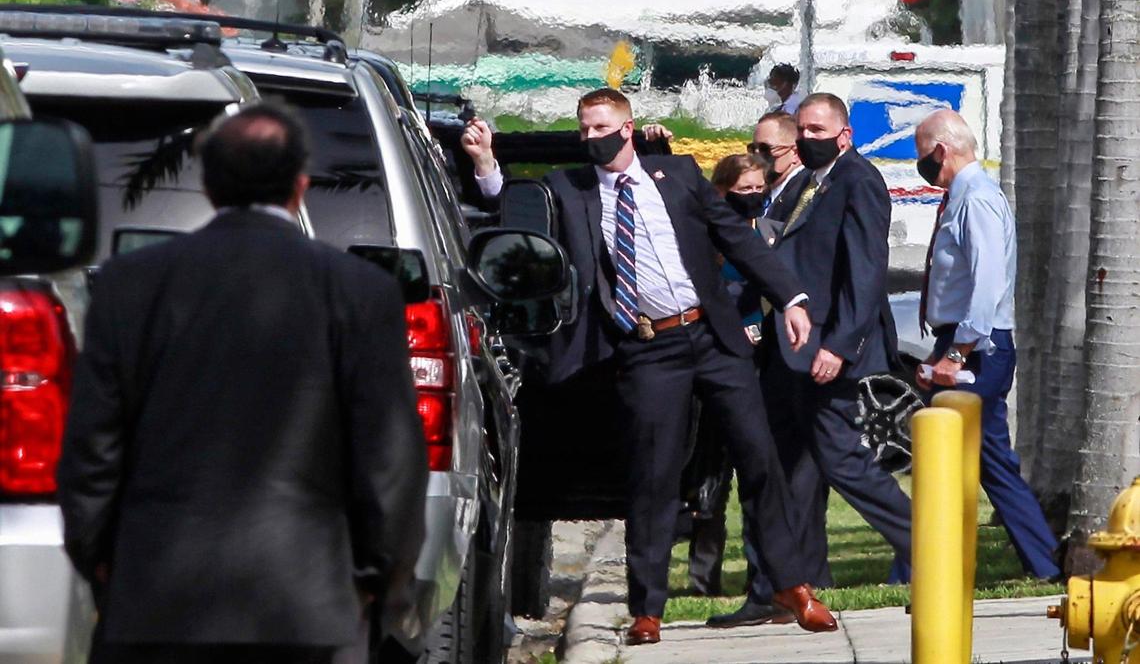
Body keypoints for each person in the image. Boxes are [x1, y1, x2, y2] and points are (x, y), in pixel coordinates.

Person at [57, 103, 429, 664]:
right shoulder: (360, 292)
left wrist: (104, 560)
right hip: (309, 605)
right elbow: (391, 459)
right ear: (300, 186)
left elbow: (92, 446)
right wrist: (379, 581)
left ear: (208, 185)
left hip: (158, 598)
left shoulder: (129, 284)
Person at [465, 88, 836, 645]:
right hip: (646, 347)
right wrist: (486, 164)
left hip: (711, 334)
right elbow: (517, 209)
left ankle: (791, 586)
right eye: (584, 129)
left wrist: (791, 298)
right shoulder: (571, 188)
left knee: (758, 455)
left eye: (601, 127)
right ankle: (647, 610)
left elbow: (736, 239)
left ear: (627, 127)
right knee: (653, 477)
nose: (591, 137)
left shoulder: (678, 174)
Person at [715, 93, 913, 628]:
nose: (806, 137)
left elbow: (865, 272)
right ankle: (776, 588)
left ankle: (929, 548)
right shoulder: (808, 183)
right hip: (790, 351)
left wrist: (839, 345)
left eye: (817, 129)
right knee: (780, 469)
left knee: (842, 460)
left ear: (844, 135)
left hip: (827, 351)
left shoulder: (858, 181)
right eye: (801, 129)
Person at [914, 109, 1060, 580]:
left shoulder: (975, 200)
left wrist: (957, 353)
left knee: (957, 459)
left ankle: (919, 566)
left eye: (923, 158)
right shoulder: (963, 197)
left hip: (978, 347)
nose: (923, 167)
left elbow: (986, 283)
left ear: (941, 150)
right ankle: (1043, 562)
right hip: (964, 341)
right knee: (988, 460)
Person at [682, 153, 773, 599]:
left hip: (757, 360)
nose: (754, 198)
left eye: (760, 189)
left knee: (759, 468)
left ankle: (768, 575)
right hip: (716, 359)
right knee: (710, 477)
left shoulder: (768, 233)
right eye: (744, 191)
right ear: (721, 192)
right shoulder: (705, 238)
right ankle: (704, 579)